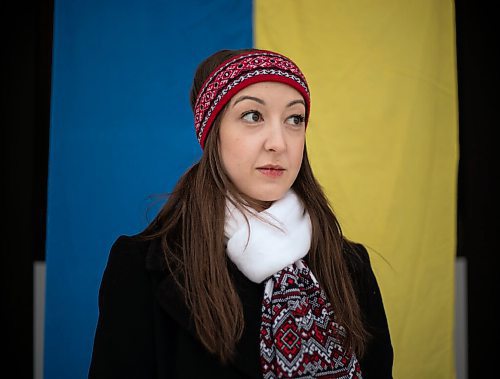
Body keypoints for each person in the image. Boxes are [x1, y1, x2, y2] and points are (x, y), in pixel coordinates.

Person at [88, 48, 393, 378]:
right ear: (213, 132)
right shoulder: (142, 269)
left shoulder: (348, 265)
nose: (279, 143)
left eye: (295, 119)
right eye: (253, 116)